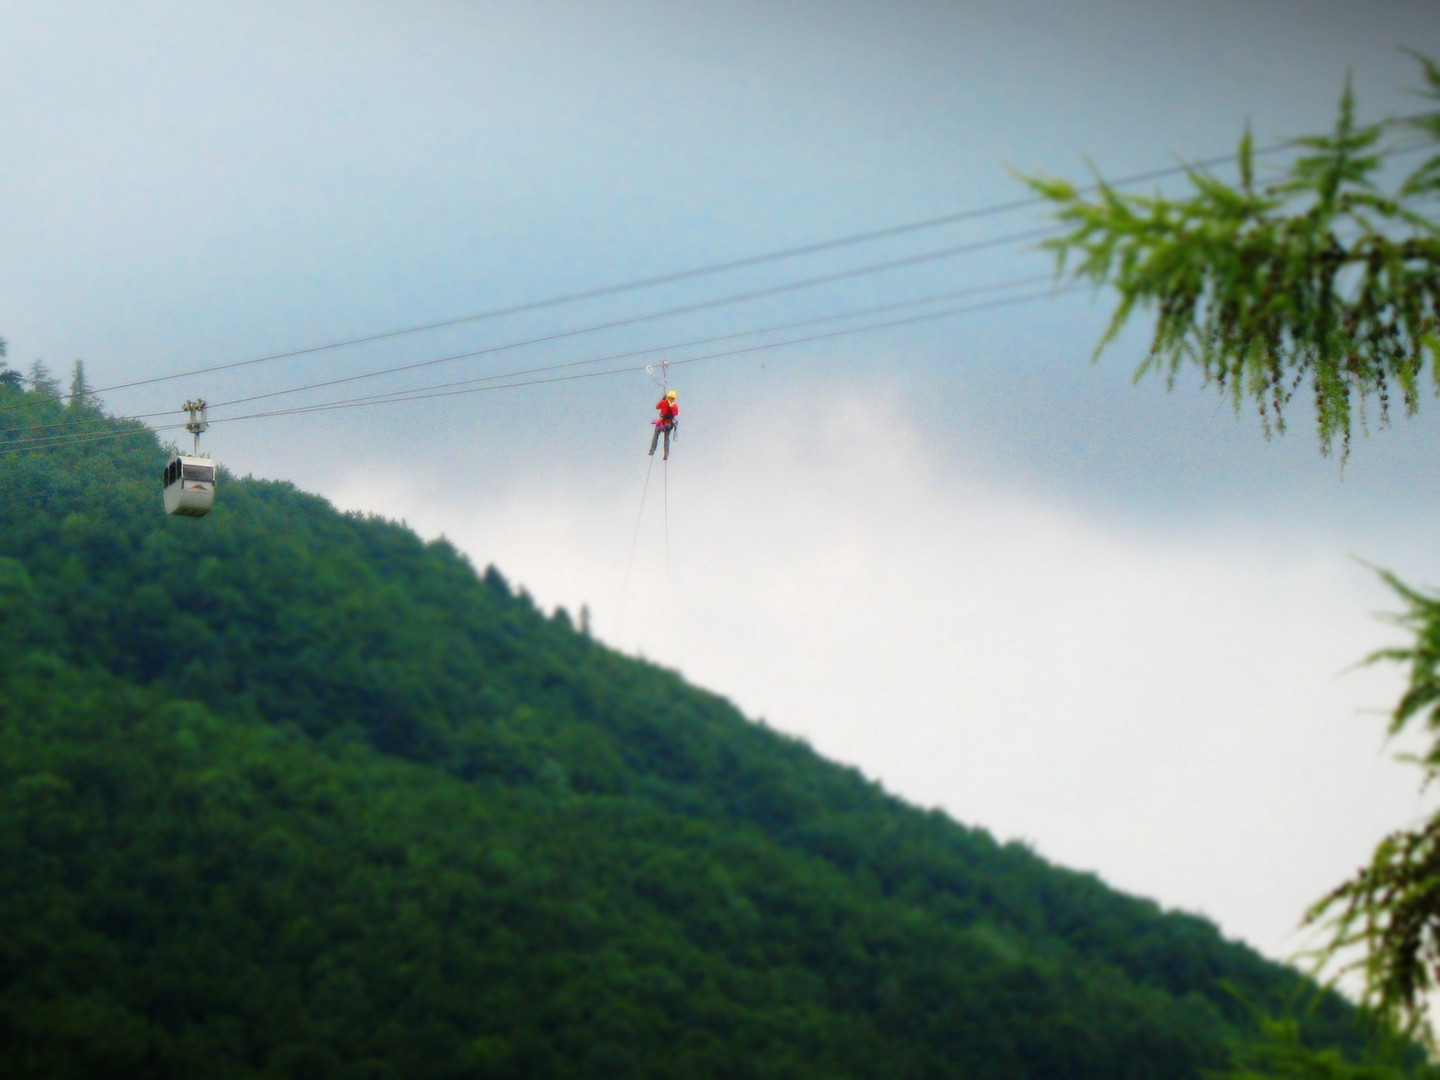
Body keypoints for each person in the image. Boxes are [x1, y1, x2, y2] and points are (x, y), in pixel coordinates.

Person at [649, 388, 679, 459]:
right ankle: (666, 453)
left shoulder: (663, 402)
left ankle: (652, 450)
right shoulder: (675, 406)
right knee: (666, 438)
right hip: (668, 424)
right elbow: (676, 413)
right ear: (674, 398)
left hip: (661, 423)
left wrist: (663, 400)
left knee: (656, 435)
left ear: (668, 397)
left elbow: (657, 407)